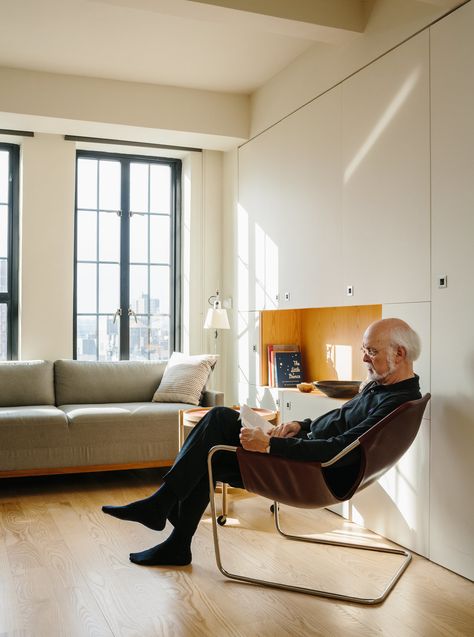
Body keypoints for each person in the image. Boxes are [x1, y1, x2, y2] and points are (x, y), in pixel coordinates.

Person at [102, 317, 422, 567]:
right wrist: (300, 425)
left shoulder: (394, 403)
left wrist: (269, 446)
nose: (364, 357)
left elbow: (339, 448)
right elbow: (338, 424)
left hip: (315, 474)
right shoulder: (380, 386)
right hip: (304, 454)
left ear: (399, 353)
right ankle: (170, 527)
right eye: (364, 348)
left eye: (372, 351)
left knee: (210, 444)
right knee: (217, 422)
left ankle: (164, 514)